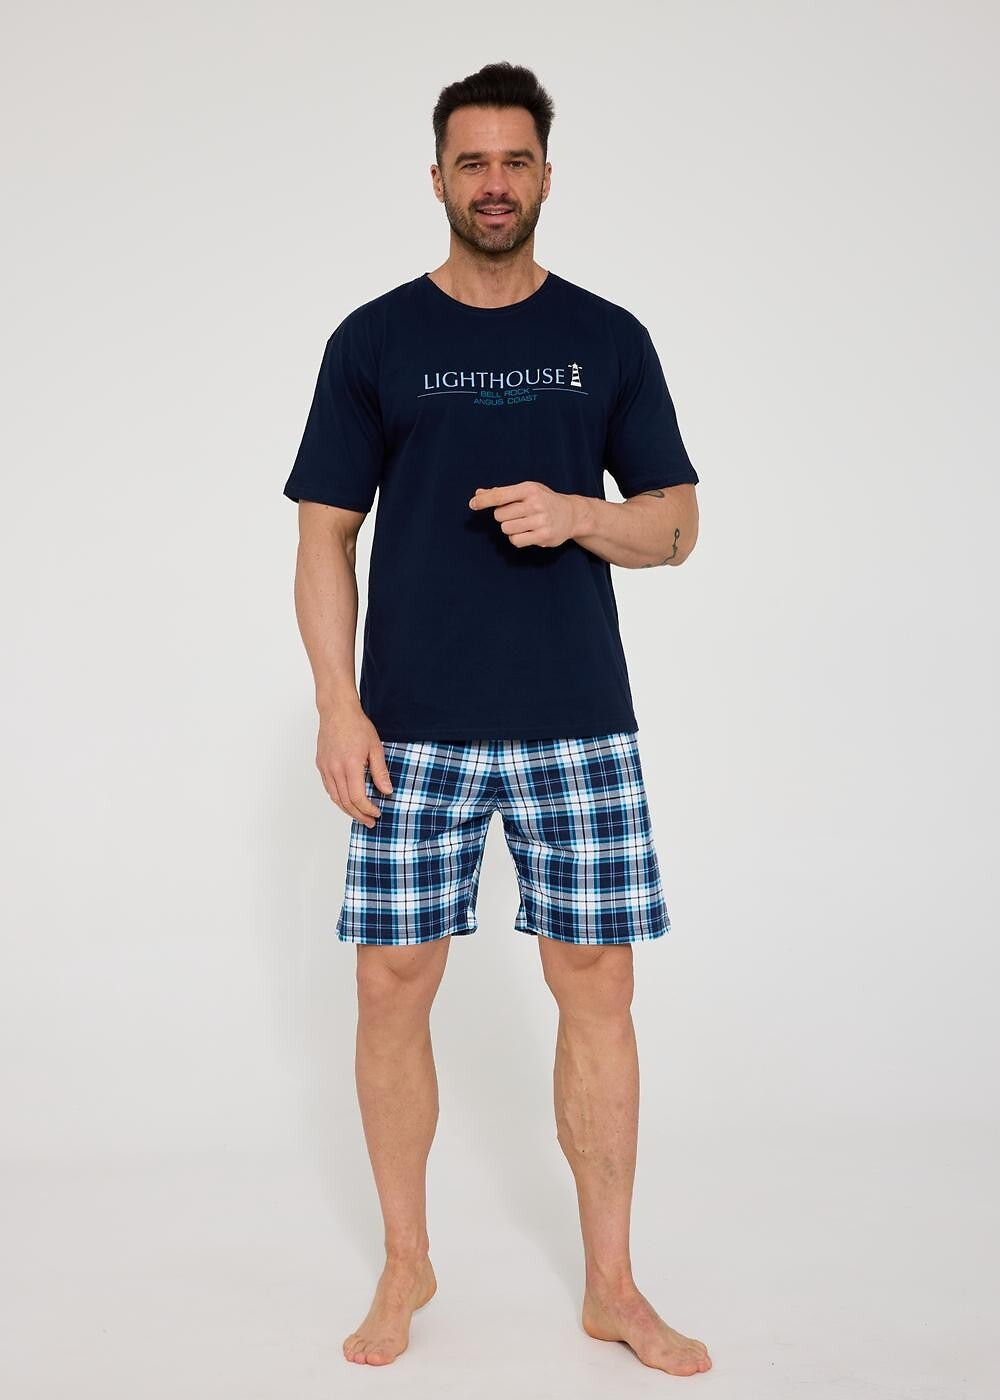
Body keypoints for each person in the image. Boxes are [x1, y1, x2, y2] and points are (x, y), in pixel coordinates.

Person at [282, 60, 711, 1377]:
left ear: (545, 177)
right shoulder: (374, 341)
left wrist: (577, 513)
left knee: (598, 986)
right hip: (410, 727)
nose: (494, 183)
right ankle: (406, 1262)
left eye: (515, 161)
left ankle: (612, 1286)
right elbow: (322, 539)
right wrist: (338, 706)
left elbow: (678, 525)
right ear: (436, 179)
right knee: (389, 985)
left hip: (576, 720)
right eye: (471, 162)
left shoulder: (609, 336)